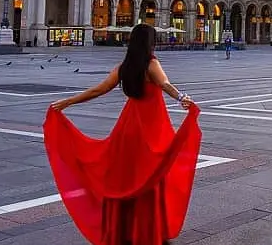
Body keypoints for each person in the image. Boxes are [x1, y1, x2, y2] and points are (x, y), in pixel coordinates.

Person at [44, 24, 200, 245]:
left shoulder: (123, 67)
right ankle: (146, 230)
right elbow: (165, 83)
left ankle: (123, 230)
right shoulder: (151, 64)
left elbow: (98, 89)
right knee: (151, 178)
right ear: (149, 42)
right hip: (152, 128)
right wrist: (182, 97)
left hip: (128, 128)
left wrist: (68, 101)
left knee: (126, 177)